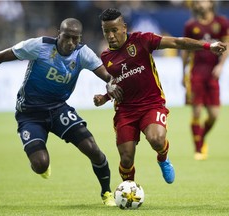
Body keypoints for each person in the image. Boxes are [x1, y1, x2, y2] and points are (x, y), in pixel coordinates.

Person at [0, 18, 123, 206]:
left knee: (92, 147)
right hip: (30, 114)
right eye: (67, 37)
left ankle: (107, 193)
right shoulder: (39, 46)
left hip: (58, 108)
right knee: (40, 164)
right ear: (58, 34)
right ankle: (41, 165)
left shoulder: (82, 53)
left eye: (75, 39)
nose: (71, 43)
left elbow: (108, 76)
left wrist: (110, 86)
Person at [93, 8, 226, 184]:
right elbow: (117, 85)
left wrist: (208, 46)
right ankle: (129, 190)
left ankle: (163, 158)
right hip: (125, 111)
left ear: (124, 27)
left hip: (151, 104)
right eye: (106, 31)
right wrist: (105, 97)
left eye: (114, 30)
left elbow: (178, 43)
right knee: (126, 158)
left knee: (156, 139)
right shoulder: (105, 57)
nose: (110, 36)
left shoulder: (142, 40)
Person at [182, 0, 229, 160]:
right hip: (196, 74)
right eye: (198, 2)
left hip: (212, 75)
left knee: (214, 115)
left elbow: (226, 45)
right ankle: (198, 148)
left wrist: (221, 65)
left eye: (203, 1)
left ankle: (201, 137)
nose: (200, 4)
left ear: (210, 3)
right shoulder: (191, 26)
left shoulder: (221, 23)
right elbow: (185, 50)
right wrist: (183, 73)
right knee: (196, 111)